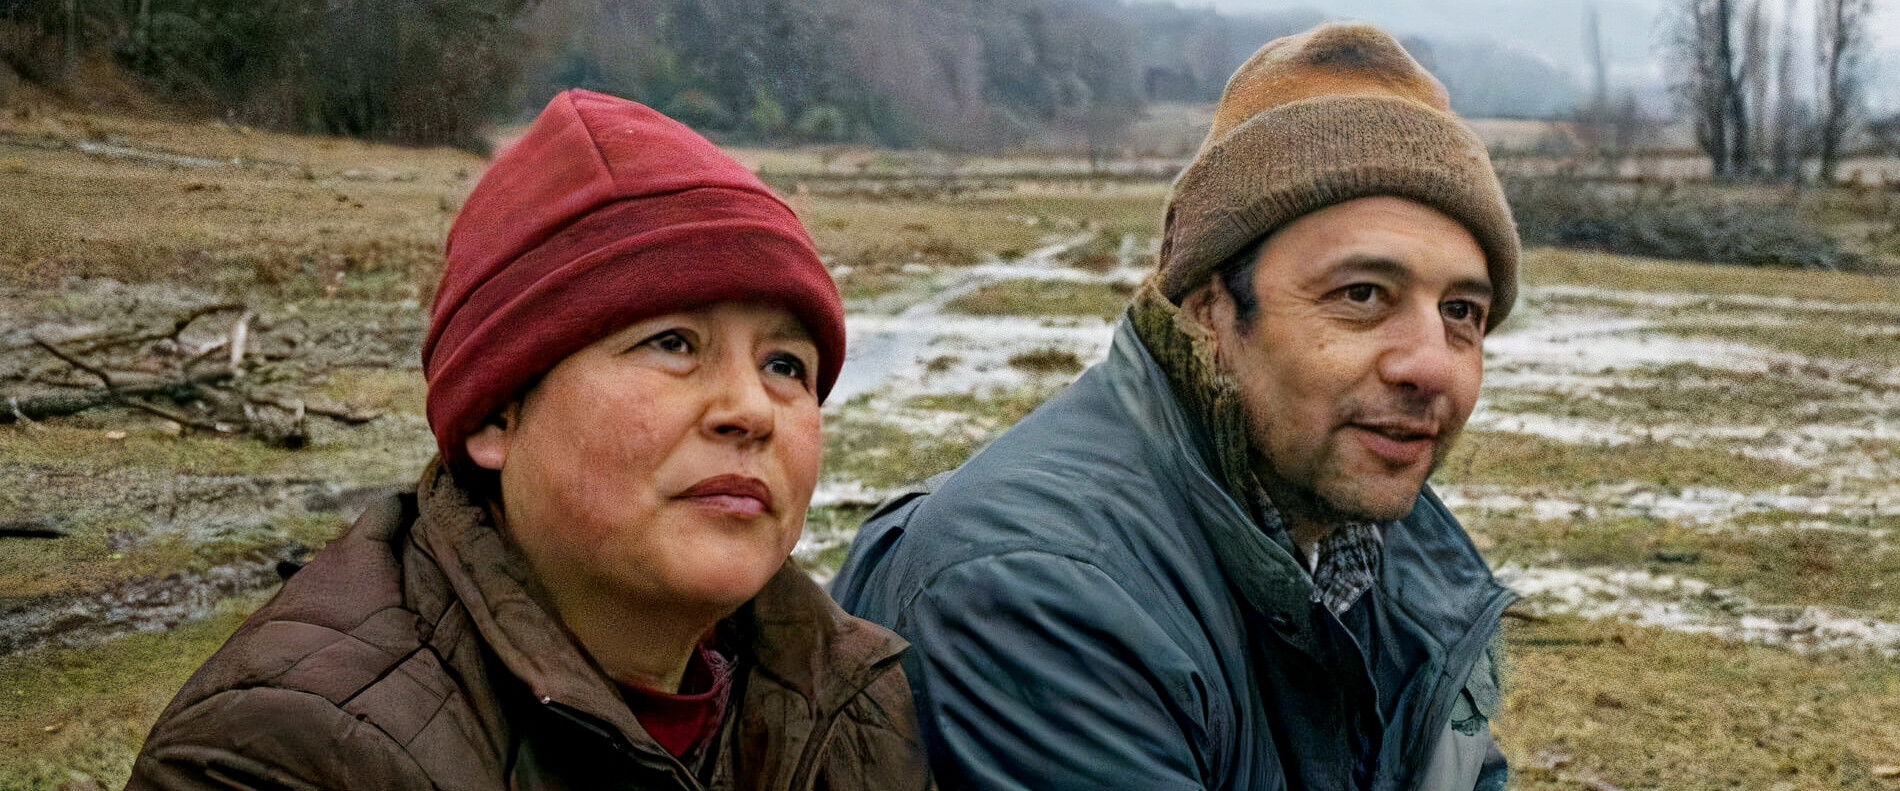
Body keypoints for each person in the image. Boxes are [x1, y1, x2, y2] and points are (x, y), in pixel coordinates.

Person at [127, 90, 931, 791]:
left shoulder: (853, 698)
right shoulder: (291, 752)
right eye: (673, 343)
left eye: (785, 364)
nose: (751, 409)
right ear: (494, 415)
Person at [832, 23, 1519, 791]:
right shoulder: (1035, 592)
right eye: (1361, 294)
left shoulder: (1378, 551)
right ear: (1209, 313)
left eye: (1461, 311)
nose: (1431, 364)